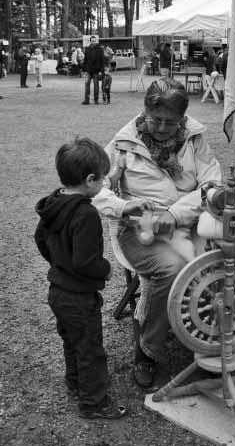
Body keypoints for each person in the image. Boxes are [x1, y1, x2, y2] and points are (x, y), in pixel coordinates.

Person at [93, 78, 222, 389]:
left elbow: (212, 183)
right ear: (145, 111)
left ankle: (205, 340)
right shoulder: (124, 143)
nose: (164, 128)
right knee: (173, 269)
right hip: (140, 228)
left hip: (188, 222)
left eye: (171, 122)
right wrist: (126, 208)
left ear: (183, 119)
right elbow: (96, 189)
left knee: (221, 261)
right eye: (157, 120)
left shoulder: (193, 139)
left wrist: (175, 214)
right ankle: (147, 351)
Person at [34, 137, 127, 420]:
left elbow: (40, 238)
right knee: (90, 349)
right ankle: (94, 402)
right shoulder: (85, 213)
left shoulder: (54, 203)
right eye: (102, 180)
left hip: (58, 290)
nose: (103, 185)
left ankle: (75, 381)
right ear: (89, 180)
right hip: (78, 296)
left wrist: (58, 263)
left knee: (72, 340)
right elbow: (86, 262)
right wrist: (106, 269)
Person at [81, 36, 105, 105]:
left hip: (96, 71)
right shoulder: (87, 49)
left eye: (94, 41)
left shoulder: (100, 49)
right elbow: (85, 60)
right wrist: (84, 70)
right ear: (90, 41)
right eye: (92, 41)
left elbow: (102, 61)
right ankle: (86, 100)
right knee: (87, 85)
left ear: (96, 41)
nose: (93, 42)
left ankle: (96, 100)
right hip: (88, 71)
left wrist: (101, 71)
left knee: (96, 86)